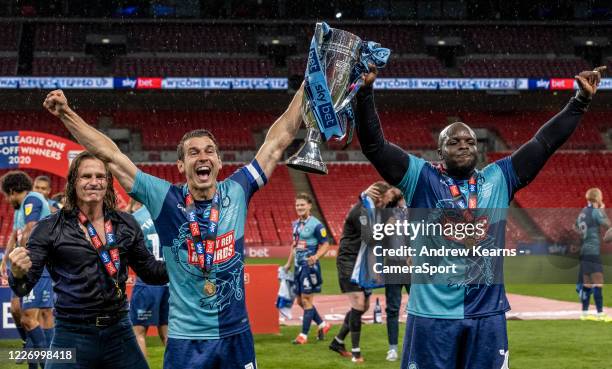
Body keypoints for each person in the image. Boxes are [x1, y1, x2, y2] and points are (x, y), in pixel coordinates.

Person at [354, 64, 605, 369]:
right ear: (439, 151)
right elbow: (374, 146)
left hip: (487, 316)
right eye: (454, 141)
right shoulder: (420, 177)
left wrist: (579, 101)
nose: (464, 145)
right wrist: (365, 92)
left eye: (470, 142)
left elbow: (543, 143)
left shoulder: (498, 178)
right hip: (433, 316)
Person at [43, 84, 304, 369]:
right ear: (180, 165)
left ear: (219, 161)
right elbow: (110, 156)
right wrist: (66, 114)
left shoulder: (238, 190)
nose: (202, 157)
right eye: (193, 153)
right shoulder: (164, 198)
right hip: (184, 341)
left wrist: (307, 84)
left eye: (209, 151)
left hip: (235, 335)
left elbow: (278, 140)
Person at [8, 152, 168, 369]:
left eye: (100, 176)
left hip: (119, 332)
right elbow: (23, 286)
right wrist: (17, 273)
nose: (94, 182)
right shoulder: (48, 228)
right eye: (86, 176)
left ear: (108, 182)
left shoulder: (126, 224)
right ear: (73, 182)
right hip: (71, 334)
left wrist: (184, 264)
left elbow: (150, 271)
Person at [329, 181, 392, 363]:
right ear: (378, 197)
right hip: (349, 263)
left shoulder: (370, 210)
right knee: (358, 304)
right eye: (386, 198)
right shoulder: (361, 212)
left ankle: (337, 342)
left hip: (360, 263)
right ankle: (356, 353)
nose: (388, 203)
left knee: (363, 306)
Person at [1, 171, 54, 369]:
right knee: (22, 314)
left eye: (7, 195)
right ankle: (39, 358)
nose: (6, 200)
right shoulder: (20, 208)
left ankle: (48, 363)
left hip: (36, 266)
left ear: (13, 191)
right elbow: (18, 233)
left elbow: (32, 229)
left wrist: (19, 257)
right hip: (32, 267)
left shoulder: (32, 199)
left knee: (30, 318)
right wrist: (6, 260)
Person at [282, 192, 331, 344]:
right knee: (299, 301)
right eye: (297, 205)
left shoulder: (316, 225)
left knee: (307, 300)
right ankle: (323, 325)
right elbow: (294, 246)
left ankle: (303, 335)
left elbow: (326, 244)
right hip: (298, 267)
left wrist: (316, 257)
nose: (300, 207)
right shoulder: (295, 224)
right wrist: (288, 264)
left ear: (309, 206)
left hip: (309, 268)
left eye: (302, 204)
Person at [126, 199, 169, 356]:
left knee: (138, 332)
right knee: (167, 332)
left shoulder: (137, 217)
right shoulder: (170, 213)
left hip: (148, 281)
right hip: (170, 281)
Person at [381, 187, 410, 362]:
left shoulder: (414, 210)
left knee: (420, 306)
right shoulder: (385, 214)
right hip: (392, 263)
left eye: (393, 191)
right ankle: (392, 349)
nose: (390, 193)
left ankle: (418, 343)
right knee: (392, 308)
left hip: (411, 265)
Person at [576, 188, 611, 321]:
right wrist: (602, 211)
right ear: (597, 197)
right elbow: (608, 225)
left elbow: (575, 227)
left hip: (584, 251)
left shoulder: (583, 212)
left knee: (587, 283)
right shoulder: (596, 211)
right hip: (592, 251)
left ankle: (584, 313)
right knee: (598, 282)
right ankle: (600, 313)